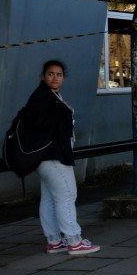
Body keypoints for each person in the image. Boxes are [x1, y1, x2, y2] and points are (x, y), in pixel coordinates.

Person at [23, 60, 99, 255]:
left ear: (63, 78)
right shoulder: (44, 97)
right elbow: (39, 122)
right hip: (53, 156)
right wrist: (61, 111)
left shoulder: (49, 96)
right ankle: (74, 241)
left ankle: (54, 241)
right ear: (43, 76)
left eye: (58, 74)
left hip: (47, 156)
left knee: (50, 198)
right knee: (67, 195)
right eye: (50, 74)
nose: (54, 77)